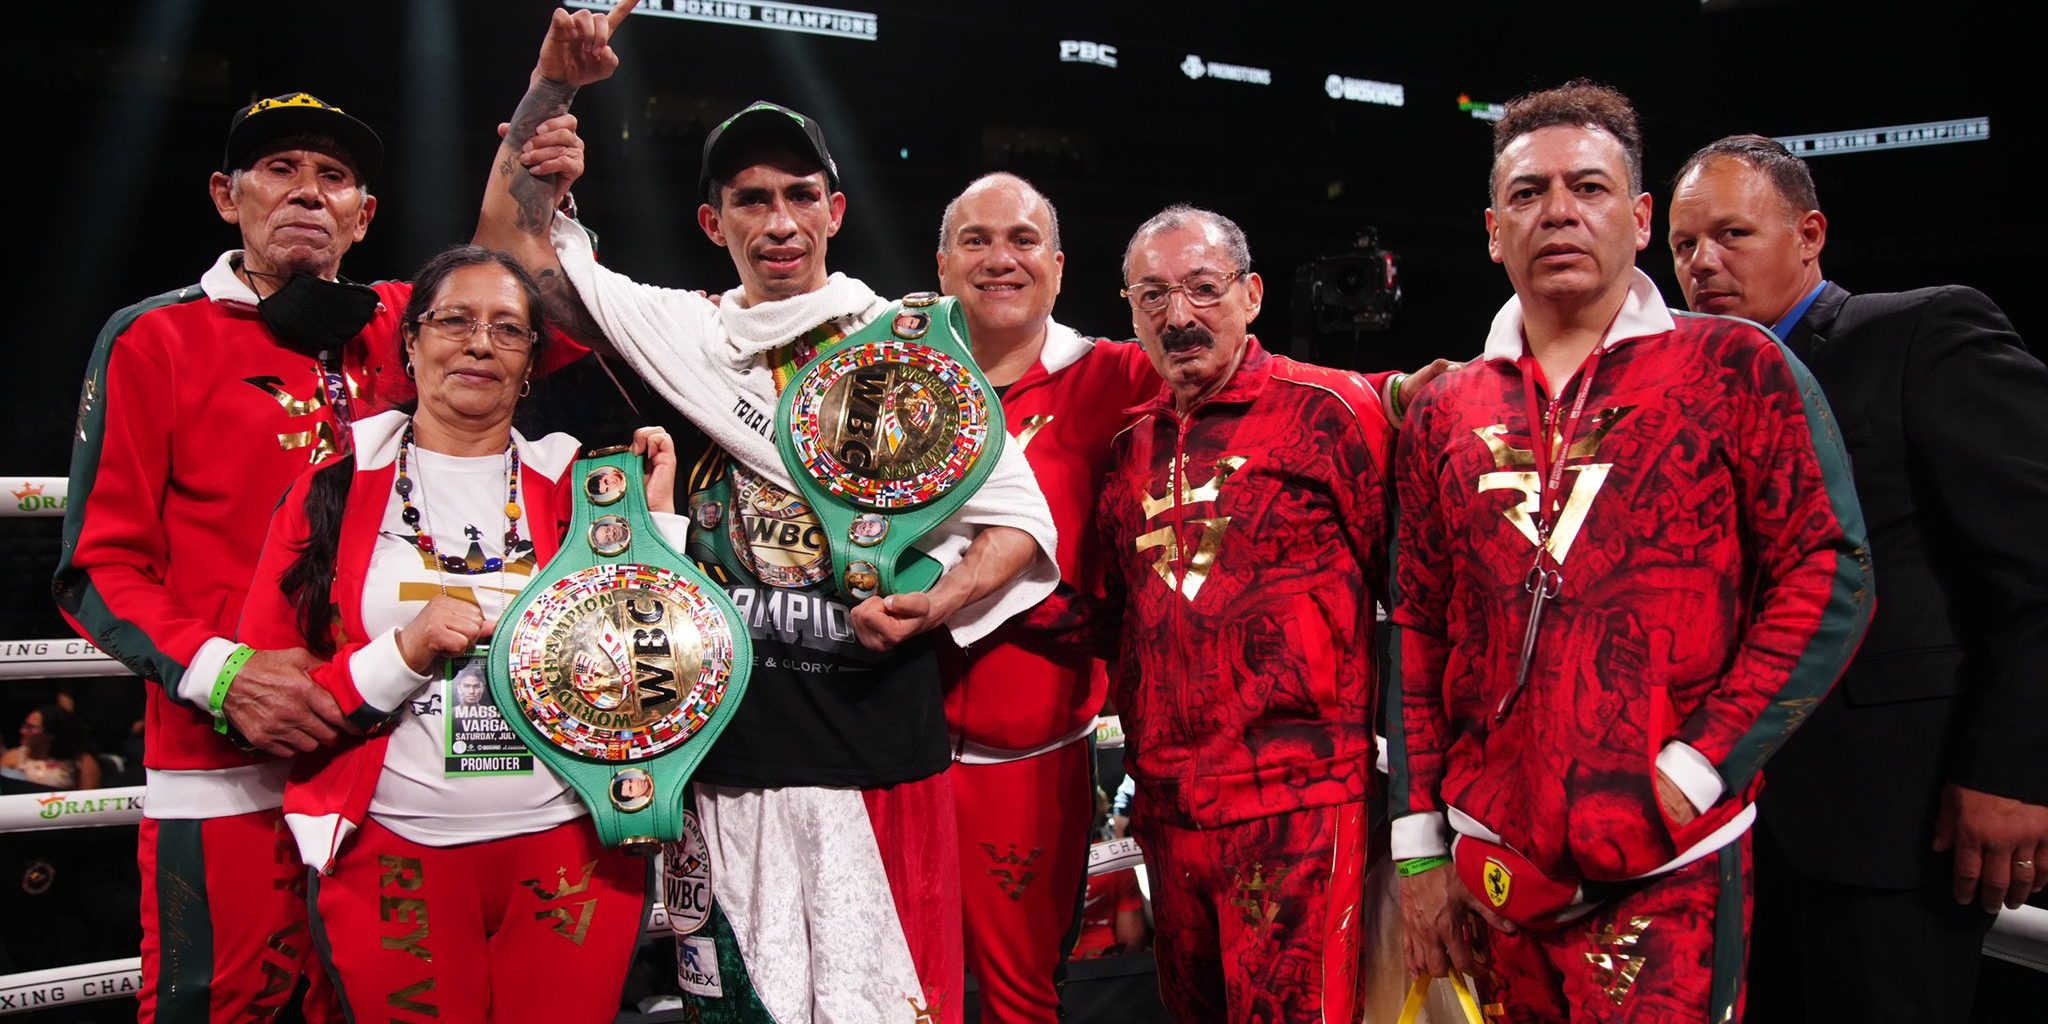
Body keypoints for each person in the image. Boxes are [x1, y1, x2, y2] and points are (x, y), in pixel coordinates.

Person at [474, 7, 1060, 1021]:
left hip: (878, 758)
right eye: (751, 199)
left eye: (799, 195)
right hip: (724, 760)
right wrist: (551, 87)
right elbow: (509, 255)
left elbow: (1020, 523)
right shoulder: (681, 334)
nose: (778, 220)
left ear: (834, 210)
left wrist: (934, 607)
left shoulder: (899, 345)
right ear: (716, 223)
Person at [50, 89, 587, 1024]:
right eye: (279, 171)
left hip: (394, 761)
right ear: (227, 195)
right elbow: (98, 565)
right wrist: (226, 676)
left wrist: (549, 106)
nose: (307, 194)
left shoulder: (403, 324)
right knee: (223, 1006)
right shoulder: (157, 338)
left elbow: (507, 274)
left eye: (333, 177)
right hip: (231, 757)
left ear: (363, 214)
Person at [1390, 81, 1872, 1023]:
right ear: (1494, 230)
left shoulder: (1736, 366)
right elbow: (1416, 620)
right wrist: (1417, 845)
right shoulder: (1448, 408)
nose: (1558, 211)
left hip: (1669, 863)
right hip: (1491, 858)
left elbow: (1831, 573)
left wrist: (1702, 766)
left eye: (1590, 187)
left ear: (1642, 217)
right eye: (1528, 194)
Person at [236, 245, 674, 1021]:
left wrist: (657, 531)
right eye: (456, 321)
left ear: (533, 362)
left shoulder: (582, 487)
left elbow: (662, 682)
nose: (480, 343)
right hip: (391, 854)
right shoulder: (331, 489)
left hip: (571, 847)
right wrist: (401, 657)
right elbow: (270, 695)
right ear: (411, 342)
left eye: (509, 330)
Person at [1667, 134, 2048, 1024]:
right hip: (1725, 829)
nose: (1704, 264)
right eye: (1685, 246)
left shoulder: (1920, 334)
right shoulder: (1686, 390)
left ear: (1809, 234)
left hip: (1894, 823)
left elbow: (2037, 563)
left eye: (1732, 235)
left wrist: (2017, 773)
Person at [1069, 203, 1394, 1023]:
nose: (1179, 317)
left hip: (1300, 805)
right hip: (1171, 810)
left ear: (1251, 295)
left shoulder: (1333, 411)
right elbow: (1114, 625)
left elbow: (1416, 601)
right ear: (1130, 311)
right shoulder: (1127, 450)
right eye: (1153, 298)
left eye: (1203, 289)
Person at [932, 172, 1155, 1023]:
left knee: (1022, 1001)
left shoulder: (1117, 375)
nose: (1001, 259)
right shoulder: (887, 372)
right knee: (886, 991)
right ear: (942, 264)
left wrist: (1393, 392)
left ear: (1058, 269)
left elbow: (1253, 385)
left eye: (1023, 241)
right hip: (883, 745)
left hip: (1028, 757)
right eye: (978, 241)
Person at [2, 704, 103, 790]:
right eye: (24, 725)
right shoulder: (12, 758)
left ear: (51, 733)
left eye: (31, 727)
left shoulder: (82, 762)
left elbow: (90, 803)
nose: (22, 731)